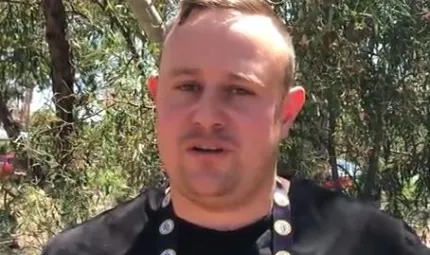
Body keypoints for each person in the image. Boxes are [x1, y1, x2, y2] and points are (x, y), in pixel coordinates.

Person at [41, 0, 430, 254]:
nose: (207, 115)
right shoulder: (83, 251)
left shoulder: (375, 246)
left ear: (286, 114)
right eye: (188, 86)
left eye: (239, 90)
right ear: (158, 99)